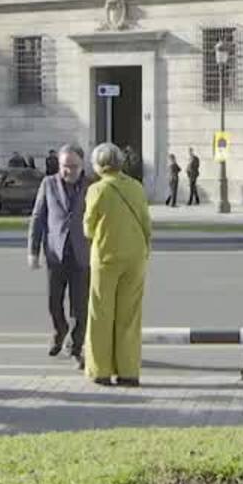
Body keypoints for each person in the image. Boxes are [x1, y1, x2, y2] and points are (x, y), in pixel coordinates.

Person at [83, 141, 152, 387]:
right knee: (129, 316)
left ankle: (100, 370)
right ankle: (128, 371)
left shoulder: (97, 190)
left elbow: (88, 227)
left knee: (101, 313)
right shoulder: (136, 188)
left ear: (100, 165)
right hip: (135, 257)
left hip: (106, 257)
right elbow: (146, 222)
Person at [29, 143, 90, 367]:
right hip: (55, 253)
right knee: (53, 302)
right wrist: (33, 251)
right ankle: (60, 329)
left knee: (80, 306)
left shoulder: (92, 185)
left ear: (82, 165)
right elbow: (37, 218)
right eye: (65, 166)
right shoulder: (48, 184)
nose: (68, 171)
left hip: (82, 254)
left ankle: (76, 347)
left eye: (73, 166)